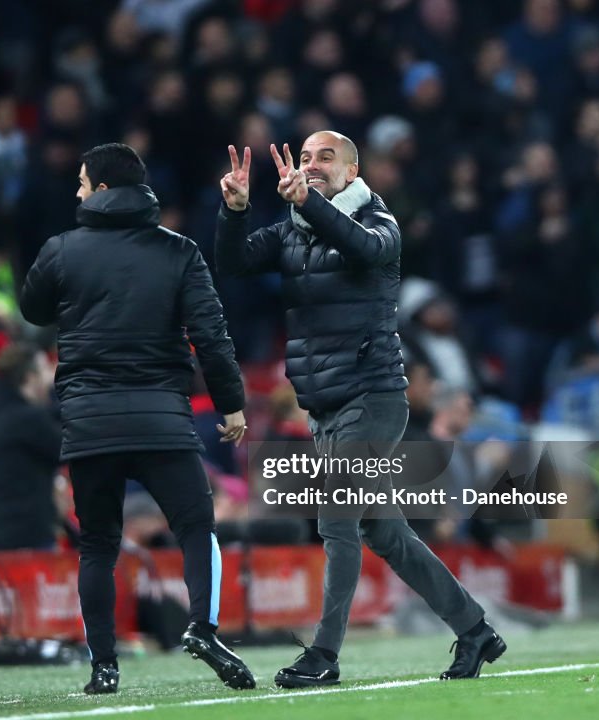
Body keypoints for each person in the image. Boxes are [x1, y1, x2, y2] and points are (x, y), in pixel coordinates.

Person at [214, 133, 506, 687]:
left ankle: (323, 656)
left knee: (336, 520)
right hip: (324, 406)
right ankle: (475, 631)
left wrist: (309, 203)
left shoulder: (380, 223)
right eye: (305, 158)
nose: (312, 165)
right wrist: (235, 210)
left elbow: (362, 248)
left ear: (353, 168)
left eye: (325, 157)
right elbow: (234, 265)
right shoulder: (292, 231)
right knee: (385, 534)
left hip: (373, 399)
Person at [20, 142, 256, 694]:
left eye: (81, 183)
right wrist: (231, 404)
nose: (77, 192)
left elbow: (32, 309)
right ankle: (202, 627)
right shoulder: (179, 251)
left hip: (89, 421)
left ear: (101, 190)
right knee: (196, 527)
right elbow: (211, 337)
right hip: (162, 420)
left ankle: (104, 665)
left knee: (98, 545)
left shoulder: (61, 249)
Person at [0, 343, 62, 552]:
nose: (50, 377)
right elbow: (68, 448)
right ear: (30, 378)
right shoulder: (27, 419)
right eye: (44, 370)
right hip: (29, 539)